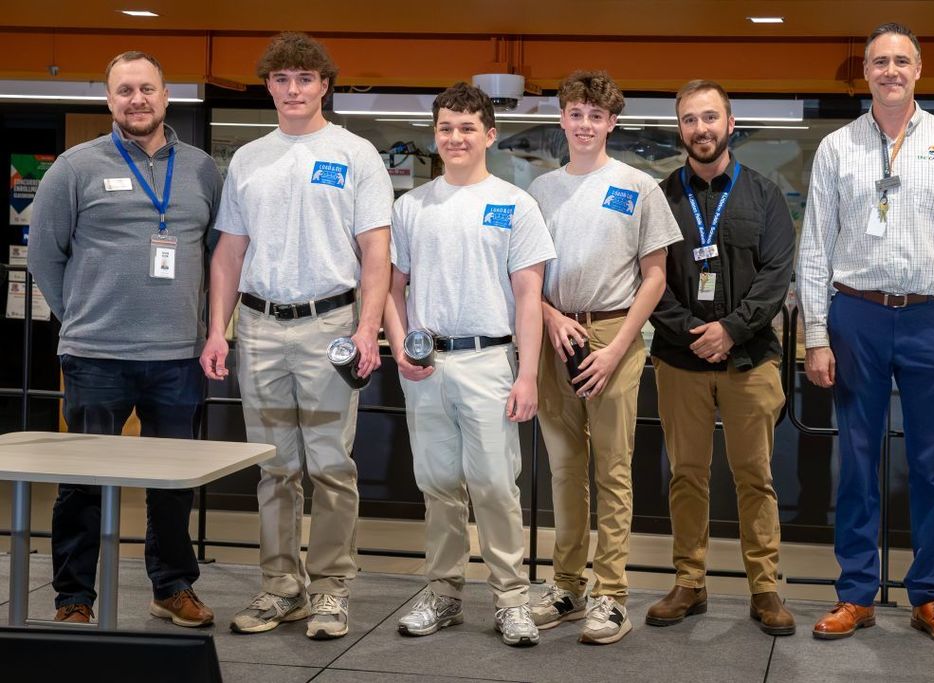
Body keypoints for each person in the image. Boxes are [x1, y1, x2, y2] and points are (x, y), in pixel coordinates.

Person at [797, 22, 934, 648]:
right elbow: (814, 250)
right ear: (866, 72)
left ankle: (929, 595)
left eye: (900, 60)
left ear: (918, 71)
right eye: (878, 61)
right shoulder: (836, 148)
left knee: (932, 465)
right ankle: (856, 593)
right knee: (855, 460)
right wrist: (817, 335)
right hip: (858, 315)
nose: (889, 70)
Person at [200, 32, 392, 640]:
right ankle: (281, 587)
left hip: (331, 325)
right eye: (281, 79)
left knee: (333, 465)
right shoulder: (250, 159)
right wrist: (217, 330)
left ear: (324, 85)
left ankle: (331, 590)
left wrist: (368, 328)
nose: (293, 90)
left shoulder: (357, 154)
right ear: (269, 87)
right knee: (274, 468)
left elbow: (376, 253)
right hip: (258, 327)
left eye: (304, 79)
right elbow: (229, 252)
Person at [29, 51, 222, 627]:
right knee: (84, 483)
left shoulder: (202, 170)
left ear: (166, 97)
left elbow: (216, 255)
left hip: (177, 357)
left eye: (146, 88)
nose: (136, 99)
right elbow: (44, 255)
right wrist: (81, 317)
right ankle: (73, 597)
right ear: (109, 100)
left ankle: (171, 587)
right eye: (123, 91)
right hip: (95, 356)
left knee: (173, 486)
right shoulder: (74, 166)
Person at [382, 82, 556, 648]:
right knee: (436, 483)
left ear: (489, 134)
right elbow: (392, 286)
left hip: (489, 361)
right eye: (445, 128)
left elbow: (529, 297)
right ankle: (444, 593)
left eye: (465, 128)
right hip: (428, 361)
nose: (455, 138)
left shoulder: (515, 203)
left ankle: (511, 598)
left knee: (494, 485)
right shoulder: (410, 207)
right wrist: (401, 345)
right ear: (436, 135)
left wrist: (527, 374)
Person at [526, 70, 678, 645]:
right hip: (555, 334)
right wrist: (549, 315)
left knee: (613, 471)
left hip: (614, 334)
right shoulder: (540, 191)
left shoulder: (639, 185)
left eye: (596, 115)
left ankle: (611, 594)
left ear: (611, 122)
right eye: (576, 113)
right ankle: (567, 586)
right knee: (565, 470)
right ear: (562, 118)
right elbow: (527, 276)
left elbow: (656, 277)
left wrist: (618, 347)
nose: (584, 125)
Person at [646, 80, 796, 636]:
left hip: (749, 359)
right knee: (686, 475)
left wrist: (730, 331)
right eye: (690, 119)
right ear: (679, 128)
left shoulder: (764, 195)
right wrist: (692, 333)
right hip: (680, 360)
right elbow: (649, 279)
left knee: (754, 475)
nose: (701, 129)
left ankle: (765, 588)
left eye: (711, 118)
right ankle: (690, 582)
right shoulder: (659, 197)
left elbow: (776, 275)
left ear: (730, 124)